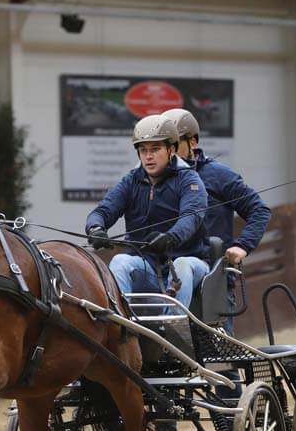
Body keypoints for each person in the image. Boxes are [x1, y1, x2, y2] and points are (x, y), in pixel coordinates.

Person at [162, 108, 272, 331]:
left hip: (212, 282)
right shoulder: (153, 179)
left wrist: (243, 245)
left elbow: (259, 210)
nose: (169, 151)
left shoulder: (218, 175)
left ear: (193, 142)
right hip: (164, 280)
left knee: (221, 352)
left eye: (174, 143)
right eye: (164, 145)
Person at [85, 114, 210, 309]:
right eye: (143, 150)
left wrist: (170, 238)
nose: (148, 156)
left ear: (171, 149)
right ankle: (120, 322)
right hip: (148, 268)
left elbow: (191, 216)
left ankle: (173, 324)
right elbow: (102, 211)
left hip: (190, 266)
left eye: (155, 149)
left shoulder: (190, 180)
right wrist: (95, 228)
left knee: (182, 264)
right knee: (120, 261)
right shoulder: (130, 181)